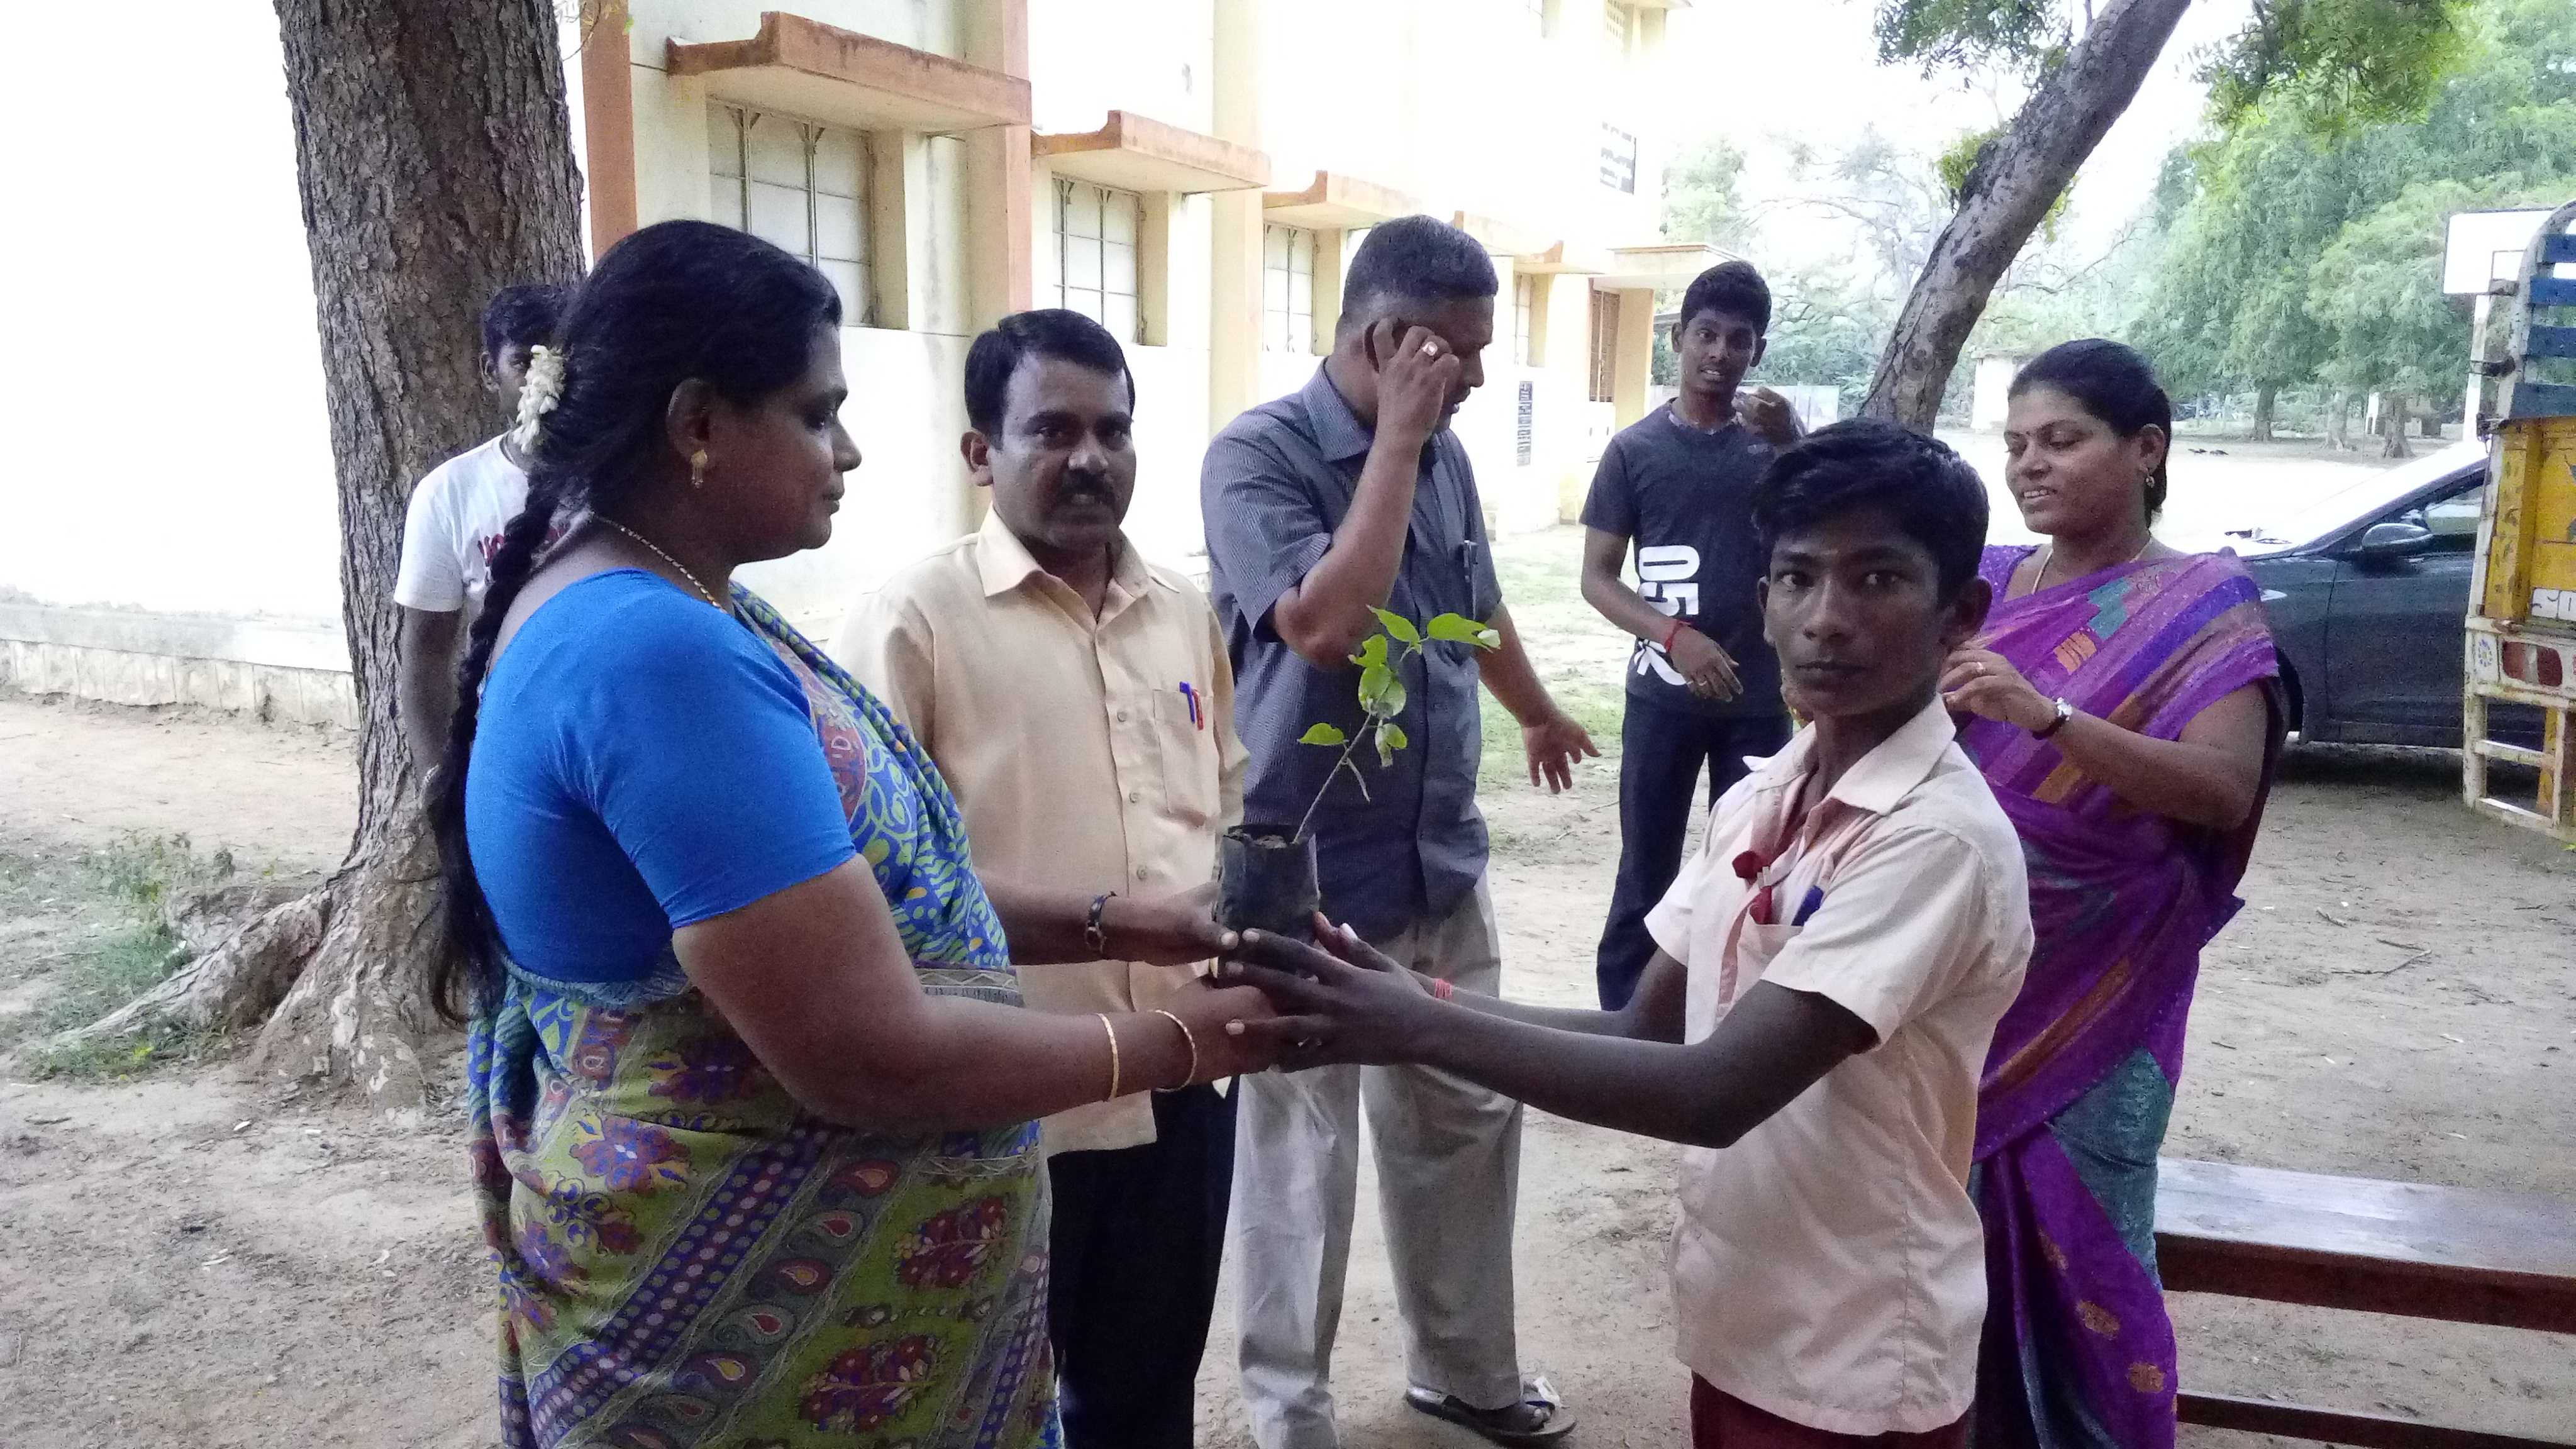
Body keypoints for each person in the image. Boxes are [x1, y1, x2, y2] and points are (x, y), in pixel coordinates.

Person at [424, 221, 1274, 1449]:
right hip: (755, 1343)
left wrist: (1120, 919)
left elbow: (834, 913)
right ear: (699, 424)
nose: (851, 451)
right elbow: (864, 1052)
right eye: (819, 415)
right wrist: (1182, 1041)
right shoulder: (653, 655)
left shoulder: (665, 606)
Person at [1224, 419, 2035, 1449]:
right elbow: (1649, 1029)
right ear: (1762, 599)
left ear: (1960, 613)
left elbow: (1713, 1090)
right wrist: (1402, 999)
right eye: (1797, 577)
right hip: (1749, 1313)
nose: (1827, 618)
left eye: (1877, 580)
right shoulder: (1766, 795)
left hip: (1864, 1338)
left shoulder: (1937, 838)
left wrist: (1409, 1025)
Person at [1200, 214, 1596, 1449]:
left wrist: (1532, 712)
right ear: (1386, 338)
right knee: (1298, 1160)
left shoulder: (1452, 458)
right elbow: (1322, 625)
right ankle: (1284, 1414)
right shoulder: (1253, 457)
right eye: (1459, 351)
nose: (1476, 375)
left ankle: (1464, 1373)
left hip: (1434, 856)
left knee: (1465, 1120)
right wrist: (1402, 444)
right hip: (1297, 872)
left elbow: (1469, 606)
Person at [831, 308, 1249, 1449]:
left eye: (1113, 430)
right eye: (1052, 430)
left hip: (1183, 1078)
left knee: (1148, 1396)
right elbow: (876, 880)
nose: (1091, 458)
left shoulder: (1183, 613)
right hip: (1006, 1095)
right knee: (979, 1400)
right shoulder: (912, 622)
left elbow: (1227, 804)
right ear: (981, 451)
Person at [1940, 340, 2282, 1449]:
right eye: (2015, 444)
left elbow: (2222, 791)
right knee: (1944, 1243)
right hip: (1961, 965)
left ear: (2146, 451)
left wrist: (2049, 718)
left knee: (2086, 1235)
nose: (2030, 465)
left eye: (2060, 439)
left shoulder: (2203, 603)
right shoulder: (1980, 581)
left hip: (2106, 977)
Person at [1580, 260, 1803, 1009]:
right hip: (1662, 700)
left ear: (1757, 352)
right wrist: (1675, 636)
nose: (1719, 353)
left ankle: (1729, 1018)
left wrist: (1795, 442)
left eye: (1738, 340)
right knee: (1646, 867)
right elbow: (1598, 578)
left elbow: (1828, 523)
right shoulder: (1634, 451)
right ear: (1678, 339)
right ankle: (1625, 1017)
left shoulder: (1774, 446)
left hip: (1759, 696)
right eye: (1705, 334)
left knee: (1751, 866)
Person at [396, 282, 570, 778]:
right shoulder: (448, 493)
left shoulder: (623, 481)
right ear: (489, 372)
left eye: (563, 362)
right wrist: (437, 776)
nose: (550, 383)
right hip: (509, 741)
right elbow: (427, 648)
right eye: (526, 364)